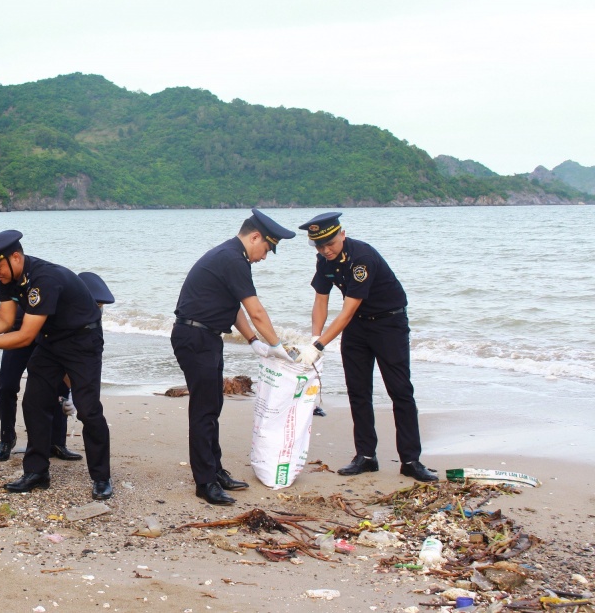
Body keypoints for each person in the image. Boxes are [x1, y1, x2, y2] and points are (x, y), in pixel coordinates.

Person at [0, 230, 113, 500]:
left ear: (16, 257)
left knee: (89, 410)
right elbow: (5, 322)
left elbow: (24, 337)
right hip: (51, 340)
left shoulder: (44, 279)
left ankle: (101, 477)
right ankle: (37, 472)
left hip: (82, 341)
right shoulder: (9, 275)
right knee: (34, 402)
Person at [295, 212, 437, 482]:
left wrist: (321, 345)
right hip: (357, 328)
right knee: (358, 391)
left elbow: (347, 310)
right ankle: (366, 457)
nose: (326, 250)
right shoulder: (323, 260)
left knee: (400, 391)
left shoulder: (362, 259)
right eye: (319, 245)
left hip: (389, 324)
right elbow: (321, 301)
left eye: (330, 244)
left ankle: (410, 460)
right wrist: (314, 337)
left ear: (342, 234)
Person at [171, 209, 295, 505]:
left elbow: (234, 306)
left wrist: (253, 340)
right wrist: (277, 346)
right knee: (203, 411)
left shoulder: (230, 257)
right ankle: (205, 483)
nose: (264, 256)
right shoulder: (232, 259)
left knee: (212, 406)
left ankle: (215, 471)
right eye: (267, 249)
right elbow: (255, 310)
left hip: (206, 337)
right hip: (195, 337)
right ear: (255, 237)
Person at [0, 271, 114, 463]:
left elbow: (73, 357)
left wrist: (73, 392)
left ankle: (57, 442)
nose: (97, 310)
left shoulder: (82, 312)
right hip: (21, 332)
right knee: (7, 386)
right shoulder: (49, 294)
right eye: (96, 305)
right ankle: (7, 439)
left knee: (60, 389)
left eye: (99, 307)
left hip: (50, 338)